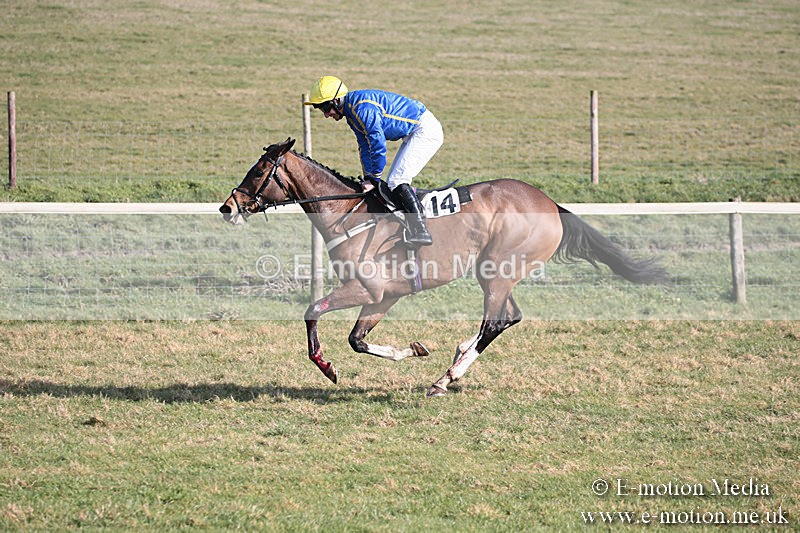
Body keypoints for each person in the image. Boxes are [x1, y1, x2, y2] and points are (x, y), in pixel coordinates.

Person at [304, 76, 443, 246]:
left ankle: (421, 230)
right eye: (321, 109)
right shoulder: (352, 113)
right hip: (412, 133)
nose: (326, 115)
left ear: (337, 100)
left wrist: (375, 177)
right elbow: (364, 145)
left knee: (397, 180)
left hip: (424, 130)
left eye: (326, 108)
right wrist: (368, 176)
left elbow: (377, 144)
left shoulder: (361, 109)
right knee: (393, 181)